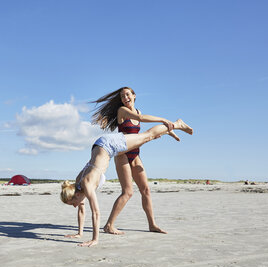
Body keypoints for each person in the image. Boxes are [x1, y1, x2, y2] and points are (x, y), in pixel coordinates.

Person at [61, 119, 193, 247]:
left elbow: (96, 212)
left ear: (76, 195)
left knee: (147, 136)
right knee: (145, 139)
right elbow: (82, 210)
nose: (74, 206)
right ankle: (165, 131)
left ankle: (176, 124)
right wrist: (79, 233)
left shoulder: (86, 184)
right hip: (100, 146)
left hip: (109, 145)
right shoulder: (77, 185)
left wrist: (95, 239)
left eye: (72, 203)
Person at [90, 87, 179, 235]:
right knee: (128, 192)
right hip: (123, 155)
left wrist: (168, 133)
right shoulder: (123, 111)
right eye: (122, 96)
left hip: (135, 154)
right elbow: (141, 119)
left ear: (134, 96)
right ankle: (109, 225)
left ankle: (152, 224)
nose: (125, 98)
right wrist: (164, 120)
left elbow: (139, 135)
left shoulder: (138, 111)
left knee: (146, 190)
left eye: (127, 94)